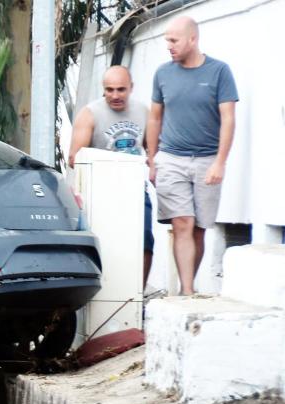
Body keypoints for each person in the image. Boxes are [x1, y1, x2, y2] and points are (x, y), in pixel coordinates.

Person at [146, 16, 237, 296]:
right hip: (171, 159)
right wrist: (152, 159)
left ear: (192, 39)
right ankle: (186, 291)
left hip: (208, 160)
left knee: (199, 229)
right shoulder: (163, 74)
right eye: (167, 41)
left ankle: (190, 285)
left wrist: (220, 162)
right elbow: (154, 118)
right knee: (182, 222)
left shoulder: (219, 72)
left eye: (173, 40)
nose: (169, 46)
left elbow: (229, 118)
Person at [69, 65, 153, 288]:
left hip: (135, 188)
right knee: (106, 244)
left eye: (121, 90)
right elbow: (74, 158)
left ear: (131, 88)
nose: (115, 95)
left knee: (145, 242)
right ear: (103, 89)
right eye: (110, 90)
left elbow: (153, 148)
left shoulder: (143, 112)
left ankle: (138, 295)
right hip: (102, 189)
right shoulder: (90, 114)